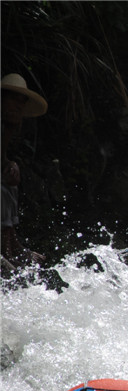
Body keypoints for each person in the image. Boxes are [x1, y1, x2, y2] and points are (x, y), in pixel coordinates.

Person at [1, 73, 48, 270]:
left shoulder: (6, 129)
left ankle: (13, 248)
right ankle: (6, 254)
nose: (18, 106)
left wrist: (11, 164)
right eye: (13, 100)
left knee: (10, 181)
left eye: (22, 102)